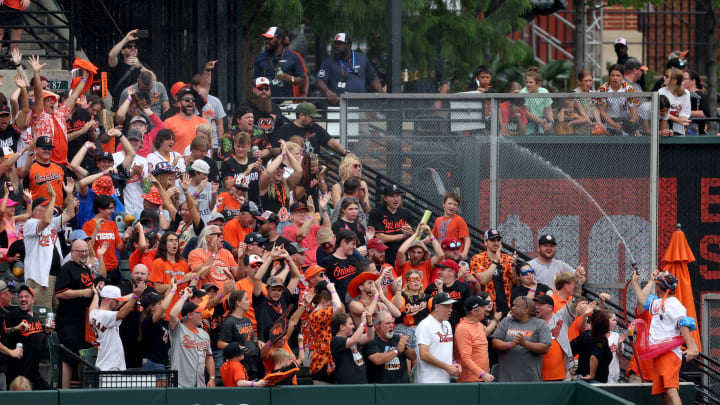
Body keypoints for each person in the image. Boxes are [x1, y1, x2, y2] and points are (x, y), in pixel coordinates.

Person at [634, 270, 699, 405]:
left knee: (671, 390)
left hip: (669, 353)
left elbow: (683, 323)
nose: (655, 286)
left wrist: (692, 347)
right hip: (658, 354)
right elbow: (642, 300)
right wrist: (635, 283)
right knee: (663, 393)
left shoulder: (674, 304)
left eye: (656, 283)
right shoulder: (658, 303)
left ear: (661, 286)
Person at [28, 55, 88, 166]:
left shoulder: (60, 114)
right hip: (44, 165)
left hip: (63, 164)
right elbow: (38, 95)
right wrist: (36, 73)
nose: (52, 102)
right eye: (48, 100)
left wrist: (84, 77)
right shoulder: (38, 116)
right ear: (42, 103)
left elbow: (74, 95)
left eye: (53, 100)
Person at [23, 183, 76, 308]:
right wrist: (53, 198)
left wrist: (69, 194)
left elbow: (70, 214)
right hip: (39, 277)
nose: (49, 208)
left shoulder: (53, 223)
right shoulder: (30, 223)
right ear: (35, 209)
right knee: (42, 313)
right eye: (45, 206)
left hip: (55, 276)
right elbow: (45, 221)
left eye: (49, 205)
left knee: (55, 314)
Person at [55, 239, 99, 388]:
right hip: (69, 321)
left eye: (86, 251)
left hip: (84, 322)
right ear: (72, 252)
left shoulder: (86, 269)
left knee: (83, 357)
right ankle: (66, 393)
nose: (84, 254)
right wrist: (82, 292)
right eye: (81, 251)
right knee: (69, 358)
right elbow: (60, 293)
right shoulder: (67, 268)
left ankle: (83, 392)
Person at [491, 296, 551, 382]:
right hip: (506, 380)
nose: (513, 308)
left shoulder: (540, 324)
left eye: (516, 306)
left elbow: (545, 348)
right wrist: (510, 345)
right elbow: (495, 342)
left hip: (530, 380)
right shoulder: (506, 321)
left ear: (526, 310)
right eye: (513, 305)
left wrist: (524, 343)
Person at [6, 285, 54, 390]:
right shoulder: (13, 315)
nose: (23, 299)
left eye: (26, 297)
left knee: (49, 393)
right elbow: (3, 332)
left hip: (34, 372)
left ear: (32, 299)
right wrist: (16, 328)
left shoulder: (35, 317)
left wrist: (46, 332)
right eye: (21, 297)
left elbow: (36, 338)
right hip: (18, 373)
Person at [316, 33, 384, 105]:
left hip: (360, 106)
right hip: (337, 107)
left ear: (348, 45)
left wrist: (382, 97)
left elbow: (373, 78)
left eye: (339, 43)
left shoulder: (362, 59)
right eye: (335, 43)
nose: (336, 46)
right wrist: (328, 92)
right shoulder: (328, 62)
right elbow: (319, 81)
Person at [89, 283, 144, 371]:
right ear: (108, 300)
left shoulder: (93, 314)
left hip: (104, 364)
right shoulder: (105, 315)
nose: (119, 303)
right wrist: (136, 296)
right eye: (116, 301)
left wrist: (96, 294)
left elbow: (92, 307)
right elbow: (122, 314)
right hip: (112, 366)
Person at [168, 287, 216, 387]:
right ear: (189, 315)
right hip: (180, 384)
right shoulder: (178, 330)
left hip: (200, 383)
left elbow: (209, 357)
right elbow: (172, 314)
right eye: (198, 312)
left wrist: (212, 378)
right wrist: (185, 296)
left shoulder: (204, 334)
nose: (201, 315)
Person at [534, 293, 585, 381]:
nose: (536, 307)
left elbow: (571, 305)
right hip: (538, 376)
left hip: (562, 375)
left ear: (550, 307)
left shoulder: (561, 318)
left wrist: (576, 294)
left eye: (540, 304)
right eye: (535, 305)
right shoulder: (531, 322)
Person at [415, 292, 461, 383]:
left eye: (451, 307)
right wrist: (447, 367)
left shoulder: (447, 324)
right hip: (428, 381)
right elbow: (423, 354)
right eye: (447, 306)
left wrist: (454, 364)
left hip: (445, 379)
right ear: (437, 307)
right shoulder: (425, 325)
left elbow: (446, 349)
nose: (450, 310)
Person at [469, 229, 517, 316]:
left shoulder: (507, 259)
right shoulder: (477, 258)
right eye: (492, 240)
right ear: (486, 242)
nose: (496, 243)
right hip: (487, 310)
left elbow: (515, 282)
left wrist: (514, 266)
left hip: (507, 308)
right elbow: (483, 280)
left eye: (498, 240)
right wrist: (495, 261)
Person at [271, 102, 347, 156]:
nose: (314, 119)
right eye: (311, 117)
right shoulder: (284, 129)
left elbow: (331, 142)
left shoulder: (315, 127)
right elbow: (274, 150)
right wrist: (288, 150)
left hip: (313, 169)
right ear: (301, 115)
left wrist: (346, 153)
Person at [253, 27, 305, 101]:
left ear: (279, 39)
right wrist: (262, 83)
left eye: (270, 39)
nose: (266, 41)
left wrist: (290, 78)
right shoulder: (259, 58)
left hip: (286, 102)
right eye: (265, 38)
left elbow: (301, 80)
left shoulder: (293, 57)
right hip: (265, 101)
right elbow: (253, 78)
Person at [364, 310, 416, 384]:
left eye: (392, 323)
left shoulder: (397, 338)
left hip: (401, 387)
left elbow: (413, 357)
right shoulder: (371, 339)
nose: (391, 325)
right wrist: (397, 350)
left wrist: (405, 347)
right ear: (378, 325)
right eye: (388, 323)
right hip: (380, 389)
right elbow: (376, 359)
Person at [368, 184, 413, 267]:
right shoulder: (376, 213)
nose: (396, 199)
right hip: (384, 258)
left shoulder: (406, 213)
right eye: (392, 196)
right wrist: (403, 236)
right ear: (385, 198)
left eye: (398, 196)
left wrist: (411, 234)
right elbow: (380, 238)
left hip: (402, 257)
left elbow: (411, 236)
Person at [307, 281, 344, 384]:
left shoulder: (316, 312)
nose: (330, 307)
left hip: (326, 360)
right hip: (321, 362)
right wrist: (332, 288)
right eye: (329, 304)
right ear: (323, 300)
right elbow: (338, 307)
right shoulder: (318, 314)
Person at [455, 295, 495, 382]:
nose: (485, 310)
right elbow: (466, 358)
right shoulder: (463, 329)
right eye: (482, 307)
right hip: (470, 380)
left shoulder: (479, 325)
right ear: (474, 311)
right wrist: (482, 373)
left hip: (483, 377)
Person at [424, 259, 472, 329]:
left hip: (456, 328)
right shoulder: (432, 287)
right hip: (433, 327)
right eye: (439, 269)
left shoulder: (464, 288)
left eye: (442, 269)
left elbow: (470, 310)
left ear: (452, 272)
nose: (439, 272)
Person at [107, 29, 148, 109]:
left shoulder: (143, 66)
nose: (133, 48)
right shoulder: (118, 65)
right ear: (122, 51)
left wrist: (140, 66)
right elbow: (111, 55)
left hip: (139, 107)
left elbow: (153, 79)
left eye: (135, 47)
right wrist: (126, 39)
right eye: (129, 46)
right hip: (120, 106)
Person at [330, 311, 374, 384]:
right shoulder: (336, 341)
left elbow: (370, 337)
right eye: (350, 324)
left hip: (362, 382)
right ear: (342, 327)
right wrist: (363, 323)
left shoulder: (352, 338)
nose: (353, 326)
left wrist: (369, 323)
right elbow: (353, 340)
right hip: (347, 386)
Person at [239, 77, 288, 142]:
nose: (264, 91)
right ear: (254, 90)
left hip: (274, 148)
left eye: (266, 88)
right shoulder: (244, 108)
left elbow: (281, 129)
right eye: (260, 88)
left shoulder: (275, 108)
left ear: (270, 90)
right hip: (253, 146)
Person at [598, 64, 639, 136]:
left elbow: (633, 109)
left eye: (618, 75)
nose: (615, 78)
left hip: (623, 122)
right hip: (607, 122)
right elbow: (602, 111)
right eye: (612, 75)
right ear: (609, 77)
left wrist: (635, 126)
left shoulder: (628, 88)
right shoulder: (603, 88)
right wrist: (614, 124)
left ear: (623, 77)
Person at [164, 87, 209, 154]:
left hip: (198, 162)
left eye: (193, 100)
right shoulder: (169, 122)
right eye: (187, 100)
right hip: (179, 162)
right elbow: (163, 147)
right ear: (179, 103)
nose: (191, 101)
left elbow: (208, 146)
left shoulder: (203, 122)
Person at [319, 229, 359, 303]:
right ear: (343, 242)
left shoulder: (354, 260)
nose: (355, 247)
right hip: (339, 304)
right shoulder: (326, 262)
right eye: (353, 244)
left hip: (355, 303)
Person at [578, 309, 615, 383]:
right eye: (613, 320)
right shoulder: (601, 339)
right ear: (606, 322)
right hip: (594, 381)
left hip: (586, 378)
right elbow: (594, 357)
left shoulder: (588, 335)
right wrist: (592, 375)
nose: (616, 322)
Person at [431, 192, 470, 258]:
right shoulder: (438, 220)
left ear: (457, 207)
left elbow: (467, 239)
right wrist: (420, 242)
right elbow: (432, 237)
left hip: (455, 257)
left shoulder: (459, 220)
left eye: (455, 205)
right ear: (443, 204)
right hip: (441, 256)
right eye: (450, 203)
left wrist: (464, 253)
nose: (452, 206)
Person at [0, 280, 22, 391]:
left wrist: (16, 328)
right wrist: (11, 352)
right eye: (10, 292)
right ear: (2, 294)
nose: (13, 296)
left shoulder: (1, 312)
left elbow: (2, 332)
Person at [658, 68, 692, 136]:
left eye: (667, 77)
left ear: (674, 81)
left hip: (679, 129)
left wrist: (683, 118)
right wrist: (678, 120)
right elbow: (660, 112)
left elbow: (685, 111)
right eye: (664, 76)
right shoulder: (661, 91)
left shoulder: (685, 93)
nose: (664, 78)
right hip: (663, 126)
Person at [521, 67, 554, 135]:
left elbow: (549, 111)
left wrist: (551, 122)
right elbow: (526, 113)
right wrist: (542, 121)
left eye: (531, 82)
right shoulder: (523, 92)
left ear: (537, 84)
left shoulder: (544, 91)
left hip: (541, 128)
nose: (528, 84)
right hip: (527, 128)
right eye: (527, 82)